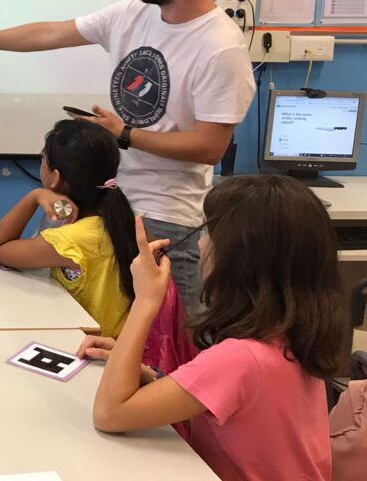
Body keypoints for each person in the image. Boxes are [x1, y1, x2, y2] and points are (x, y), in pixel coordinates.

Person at [0, 0, 255, 316]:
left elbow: (210, 147)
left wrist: (125, 134)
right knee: (65, 316)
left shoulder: (220, 48)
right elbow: (52, 32)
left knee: (168, 337)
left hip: (164, 216)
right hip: (103, 201)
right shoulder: (135, 12)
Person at [79, 175, 347, 481]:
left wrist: (146, 300)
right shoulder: (294, 335)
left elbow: (110, 413)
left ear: (238, 260)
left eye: (210, 234)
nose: (201, 243)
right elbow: (228, 397)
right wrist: (137, 368)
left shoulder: (241, 357)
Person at [0, 120, 137, 338]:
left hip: (92, 344)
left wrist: (34, 196)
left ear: (55, 177)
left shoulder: (72, 240)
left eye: (43, 159)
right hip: (117, 341)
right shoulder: (120, 218)